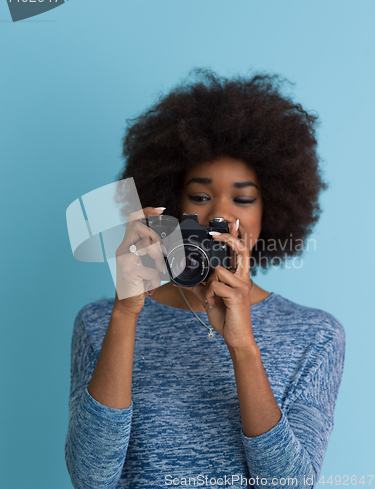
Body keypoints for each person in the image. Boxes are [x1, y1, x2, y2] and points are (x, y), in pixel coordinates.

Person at [65, 70, 345, 489]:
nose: (221, 214)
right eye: (199, 196)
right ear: (173, 206)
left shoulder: (314, 335)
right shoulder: (97, 321)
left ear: (271, 210)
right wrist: (125, 312)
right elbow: (91, 478)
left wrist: (243, 346)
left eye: (243, 198)